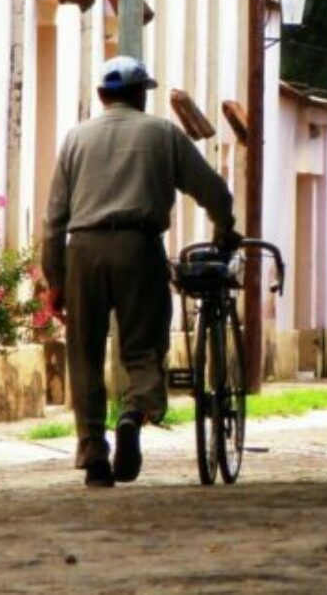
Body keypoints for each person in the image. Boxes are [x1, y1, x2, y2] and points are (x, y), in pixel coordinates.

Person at [42, 55, 238, 488]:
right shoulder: (163, 133)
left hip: (84, 249)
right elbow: (213, 191)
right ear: (141, 94)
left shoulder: (76, 139)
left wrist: (55, 279)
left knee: (85, 355)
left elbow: (54, 217)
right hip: (138, 248)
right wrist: (225, 229)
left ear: (101, 95)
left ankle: (94, 456)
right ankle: (133, 412)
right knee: (143, 349)